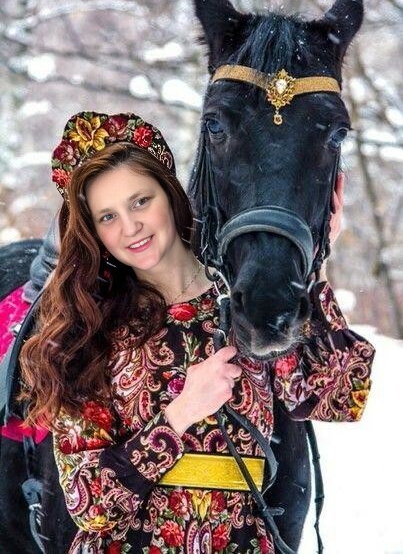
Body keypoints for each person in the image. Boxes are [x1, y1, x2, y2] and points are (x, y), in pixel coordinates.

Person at [20, 111, 375, 554]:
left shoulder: (245, 306)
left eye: (140, 202)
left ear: (169, 195)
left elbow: (340, 398)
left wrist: (313, 258)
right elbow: (88, 502)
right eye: (107, 216)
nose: (130, 227)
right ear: (93, 230)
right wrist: (181, 413)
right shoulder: (90, 328)